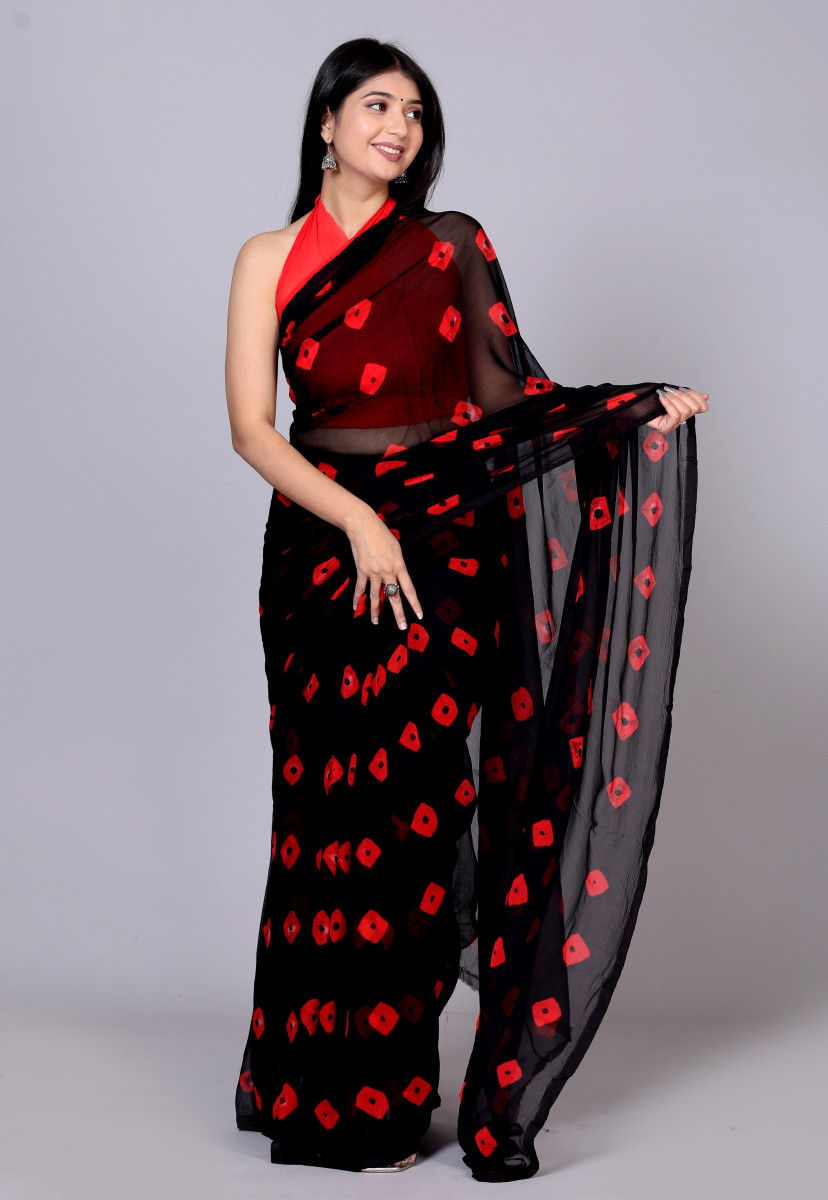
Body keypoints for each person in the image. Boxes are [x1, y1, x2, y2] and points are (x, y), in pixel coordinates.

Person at [224, 36, 708, 1184]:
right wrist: (357, 520)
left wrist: (622, 415)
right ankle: (304, 1087)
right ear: (327, 122)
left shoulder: (449, 244)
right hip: (318, 548)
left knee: (411, 818)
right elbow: (251, 428)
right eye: (377, 105)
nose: (398, 127)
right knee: (317, 816)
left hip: (437, 549)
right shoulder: (268, 256)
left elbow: (507, 398)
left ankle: (389, 1104)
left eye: (415, 113)